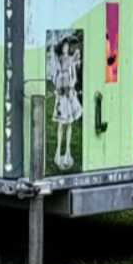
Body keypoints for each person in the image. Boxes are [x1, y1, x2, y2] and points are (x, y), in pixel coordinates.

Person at [49, 34, 82, 171]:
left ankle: (68, 150)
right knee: (60, 124)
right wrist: (57, 87)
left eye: (67, 47)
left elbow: (74, 77)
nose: (65, 49)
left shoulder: (71, 60)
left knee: (69, 123)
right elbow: (55, 76)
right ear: (61, 48)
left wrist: (71, 86)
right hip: (61, 94)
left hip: (69, 94)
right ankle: (58, 149)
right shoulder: (59, 60)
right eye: (63, 47)